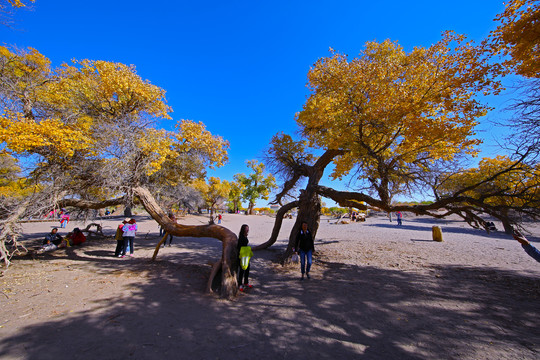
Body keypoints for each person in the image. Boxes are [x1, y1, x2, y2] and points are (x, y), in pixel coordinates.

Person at [237, 224, 253, 291]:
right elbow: (239, 247)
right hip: (242, 255)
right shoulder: (241, 237)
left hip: (246, 254)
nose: (248, 230)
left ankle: (246, 282)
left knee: (247, 268)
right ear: (243, 229)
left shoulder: (245, 236)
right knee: (242, 270)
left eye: (248, 228)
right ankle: (240, 284)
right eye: (246, 229)